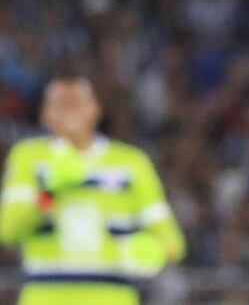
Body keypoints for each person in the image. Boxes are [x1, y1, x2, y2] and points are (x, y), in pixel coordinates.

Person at [0, 76, 186, 305]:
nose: (70, 109)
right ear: (45, 113)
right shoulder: (29, 158)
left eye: (78, 101)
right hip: (46, 297)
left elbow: (172, 242)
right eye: (60, 103)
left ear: (95, 109)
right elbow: (8, 231)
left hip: (112, 297)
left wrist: (152, 251)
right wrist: (50, 191)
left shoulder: (132, 163)